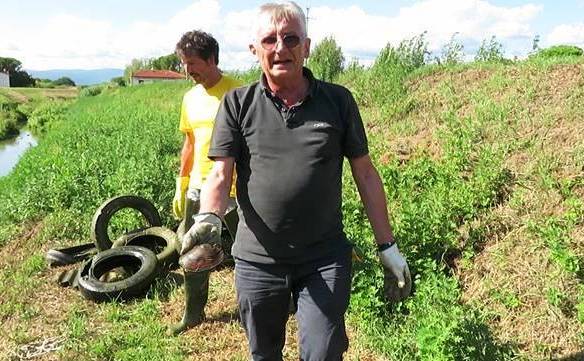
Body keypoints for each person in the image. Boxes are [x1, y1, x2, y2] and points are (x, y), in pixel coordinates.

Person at [180, 1, 412, 359]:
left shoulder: (338, 101)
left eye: (291, 38)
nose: (280, 48)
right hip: (257, 260)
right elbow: (221, 172)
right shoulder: (236, 103)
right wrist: (209, 217)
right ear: (254, 49)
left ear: (306, 46)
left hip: (324, 257)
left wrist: (388, 247)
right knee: (264, 352)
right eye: (269, 39)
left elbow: (365, 173)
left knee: (323, 351)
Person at [169, 29, 240, 335]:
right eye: (184, 64)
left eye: (192, 63)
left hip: (238, 190)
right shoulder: (189, 98)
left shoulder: (238, 93)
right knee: (193, 252)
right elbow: (189, 143)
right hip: (200, 187)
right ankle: (194, 314)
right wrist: (182, 182)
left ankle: (280, 300)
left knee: (257, 250)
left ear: (212, 59)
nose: (187, 71)